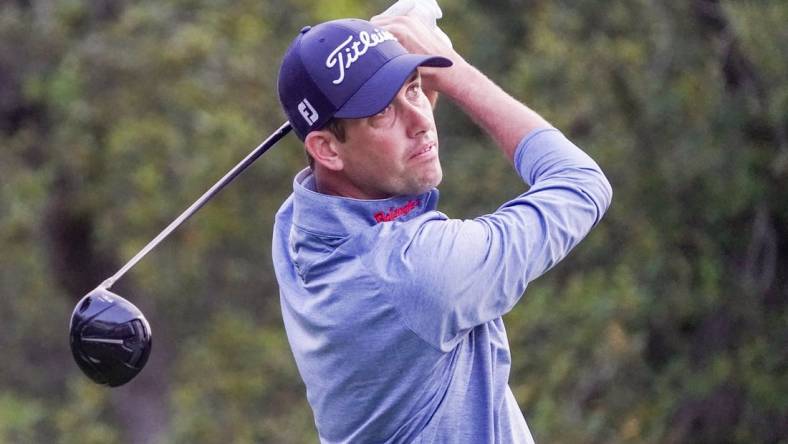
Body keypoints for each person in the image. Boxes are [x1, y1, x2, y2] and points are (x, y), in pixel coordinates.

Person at [272, 14, 612, 444]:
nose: (421, 121)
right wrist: (453, 70)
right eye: (382, 112)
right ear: (325, 149)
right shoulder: (418, 272)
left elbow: (375, 173)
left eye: (413, 88)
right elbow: (581, 184)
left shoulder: (295, 227)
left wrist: (388, 86)